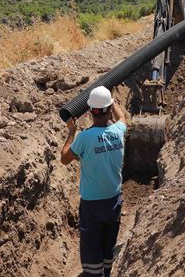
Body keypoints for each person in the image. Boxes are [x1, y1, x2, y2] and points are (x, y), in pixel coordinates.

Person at [60, 86, 127, 277]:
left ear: (90, 111)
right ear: (108, 109)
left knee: (91, 249)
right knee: (108, 245)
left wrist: (72, 131)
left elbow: (64, 158)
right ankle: (106, 272)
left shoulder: (84, 138)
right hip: (114, 200)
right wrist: (112, 101)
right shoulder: (119, 131)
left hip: (91, 205)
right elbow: (122, 118)